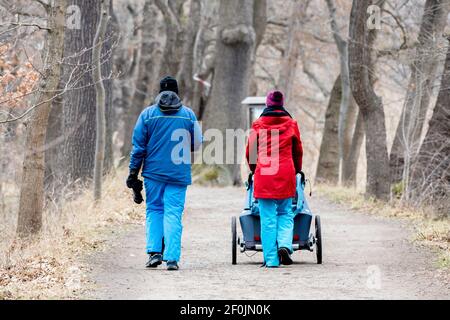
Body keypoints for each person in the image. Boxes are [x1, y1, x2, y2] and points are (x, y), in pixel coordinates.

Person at [126, 76, 202, 271]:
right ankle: (172, 259)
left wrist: (133, 172)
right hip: (178, 174)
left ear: (159, 92)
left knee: (155, 210)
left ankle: (154, 254)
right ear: (177, 92)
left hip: (153, 174)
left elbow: (138, 147)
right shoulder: (189, 115)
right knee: (173, 213)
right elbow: (197, 144)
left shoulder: (147, 115)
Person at [246, 90, 303, 268]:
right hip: (286, 173)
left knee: (267, 218)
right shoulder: (292, 124)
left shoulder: (258, 125)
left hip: (264, 175)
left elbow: (251, 153)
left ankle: (271, 260)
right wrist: (297, 170)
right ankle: (285, 245)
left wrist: (255, 170)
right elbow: (298, 151)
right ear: (282, 104)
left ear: (267, 104)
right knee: (286, 212)